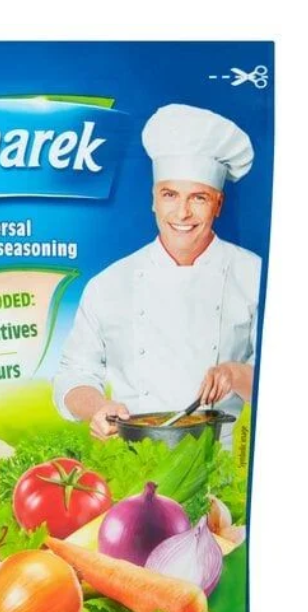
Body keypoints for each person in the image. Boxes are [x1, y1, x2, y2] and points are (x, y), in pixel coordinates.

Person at [52, 104, 261, 442]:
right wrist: (97, 407)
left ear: (218, 204)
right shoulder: (108, 284)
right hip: (135, 457)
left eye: (199, 198)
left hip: (224, 460)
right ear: (154, 199)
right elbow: (72, 375)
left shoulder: (255, 276)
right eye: (170, 195)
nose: (182, 212)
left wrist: (235, 374)